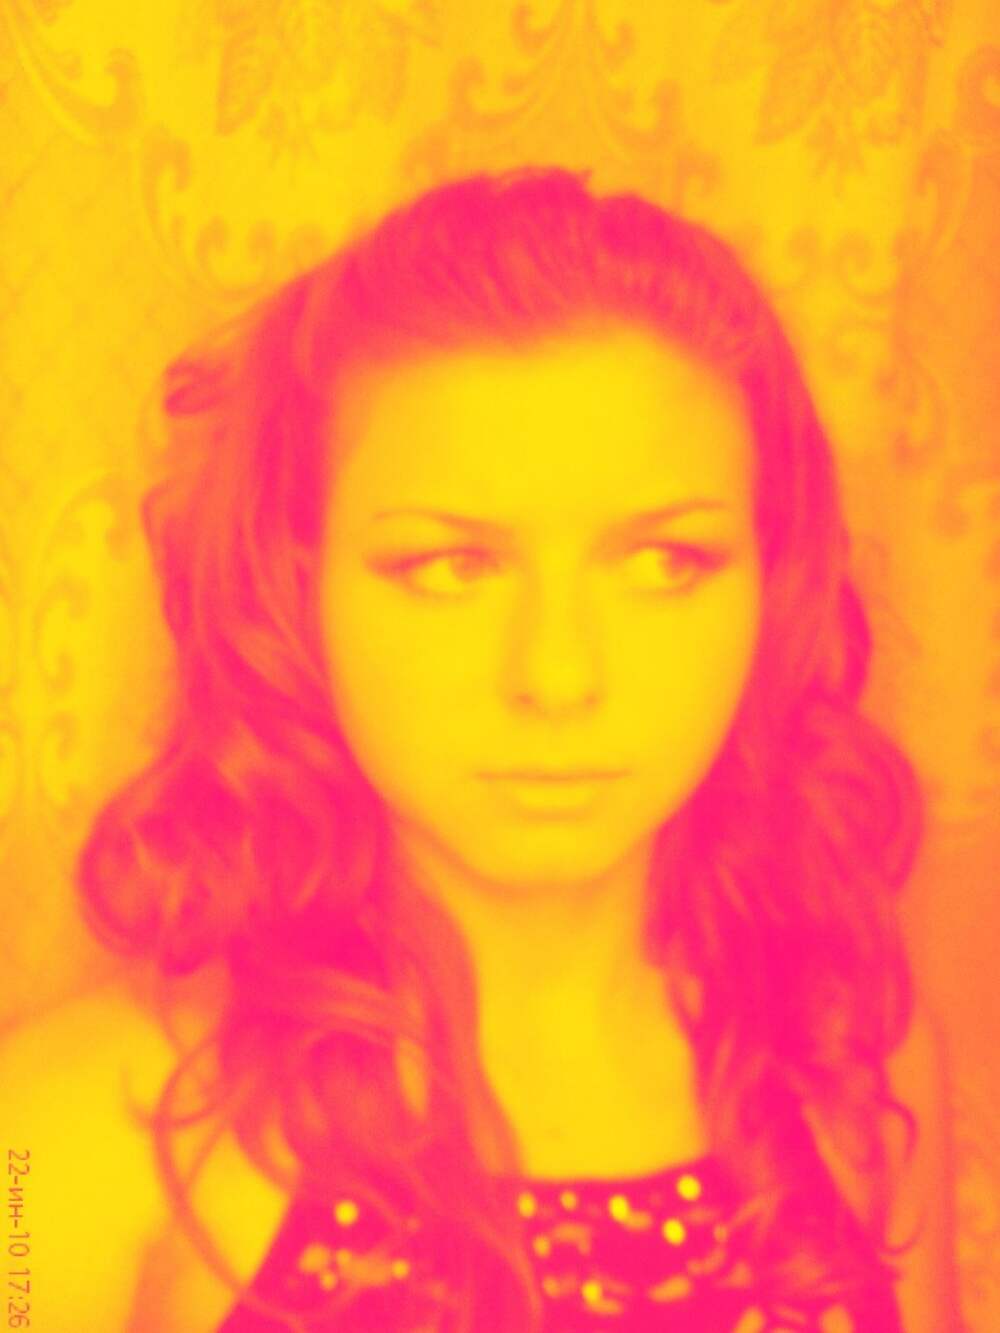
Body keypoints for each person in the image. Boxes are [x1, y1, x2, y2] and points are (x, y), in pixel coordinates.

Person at [5, 167, 958, 1332]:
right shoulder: (62, 1146)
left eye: (664, 562)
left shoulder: (855, 1066)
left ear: (775, 583)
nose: (557, 679)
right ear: (293, 593)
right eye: (449, 567)